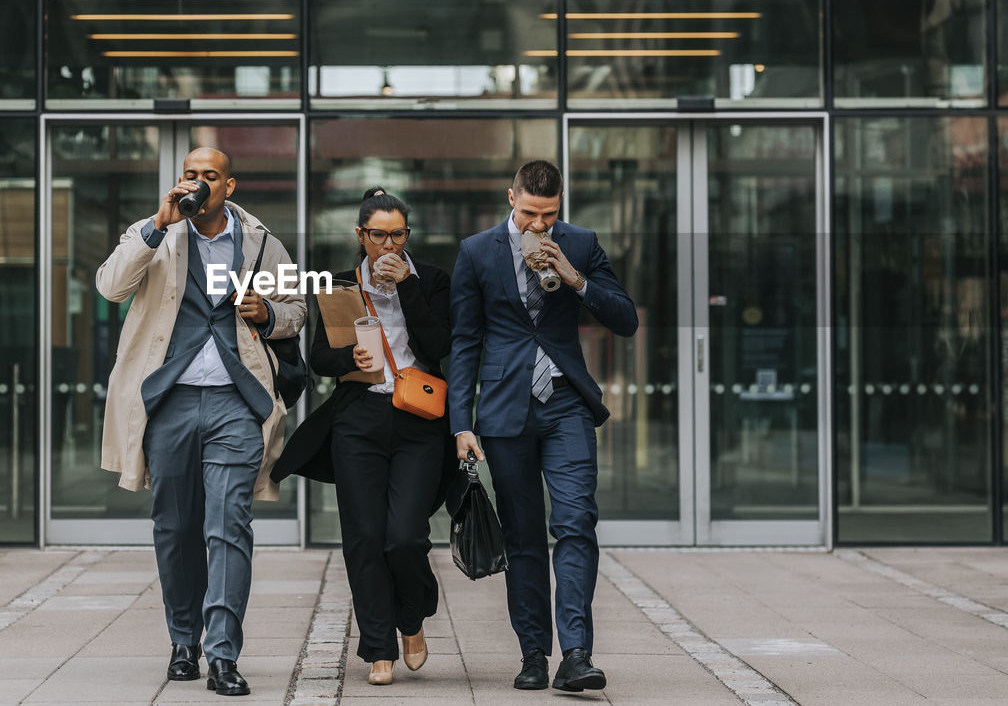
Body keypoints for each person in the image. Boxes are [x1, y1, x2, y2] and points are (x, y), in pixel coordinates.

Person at [96, 147, 307, 697]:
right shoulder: (154, 233)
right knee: (175, 527)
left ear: (228, 186)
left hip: (238, 404)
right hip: (169, 401)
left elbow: (296, 310)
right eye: (191, 174)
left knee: (229, 525)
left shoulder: (264, 243)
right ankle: (182, 641)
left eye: (209, 176)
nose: (198, 183)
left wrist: (269, 314)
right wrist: (155, 226)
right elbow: (110, 287)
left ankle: (222, 654)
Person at [447, 160, 637, 694]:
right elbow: (464, 343)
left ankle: (576, 654)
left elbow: (625, 320)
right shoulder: (477, 251)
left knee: (576, 523)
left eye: (549, 215)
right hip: (505, 411)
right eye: (530, 213)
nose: (539, 225)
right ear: (512, 198)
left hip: (566, 405)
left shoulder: (581, 242)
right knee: (523, 537)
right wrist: (462, 422)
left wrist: (576, 280)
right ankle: (533, 652)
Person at [271, 187, 454, 686]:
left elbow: (440, 344)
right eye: (379, 236)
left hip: (419, 421)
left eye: (398, 235)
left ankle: (412, 618)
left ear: (407, 236)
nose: (389, 245)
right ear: (361, 235)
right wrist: (350, 359)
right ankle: (378, 646)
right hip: (359, 420)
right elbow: (319, 359)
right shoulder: (337, 284)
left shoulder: (433, 280)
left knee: (405, 536)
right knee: (365, 537)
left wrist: (407, 289)